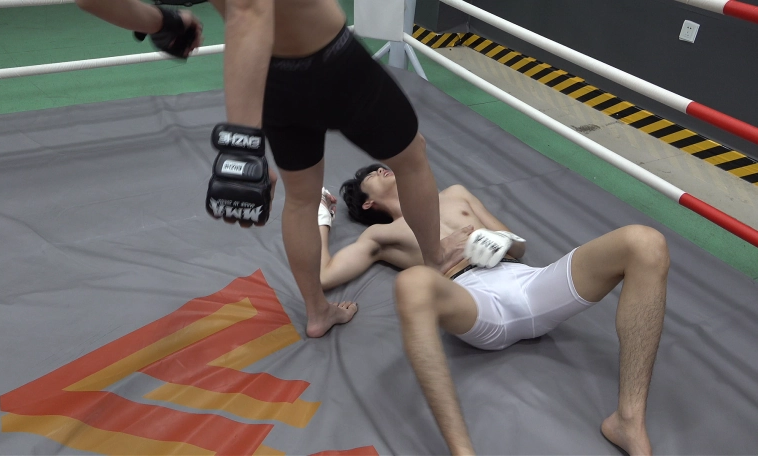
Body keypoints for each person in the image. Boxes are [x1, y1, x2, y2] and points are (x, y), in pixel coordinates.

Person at [74, 0, 447, 338]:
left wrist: (160, 21)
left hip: (270, 77)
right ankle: (438, 276)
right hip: (333, 61)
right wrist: (243, 149)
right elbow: (249, 7)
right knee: (412, 159)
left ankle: (317, 312)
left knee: (302, 199)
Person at [317, 163, 669, 456]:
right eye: (372, 174)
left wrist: (499, 241)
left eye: (383, 166)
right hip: (474, 303)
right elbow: (324, 274)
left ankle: (628, 420)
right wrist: (322, 216)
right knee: (412, 282)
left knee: (645, 241)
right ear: (367, 203)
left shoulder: (455, 194)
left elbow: (517, 247)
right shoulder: (381, 235)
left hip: (526, 283)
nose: (382, 169)